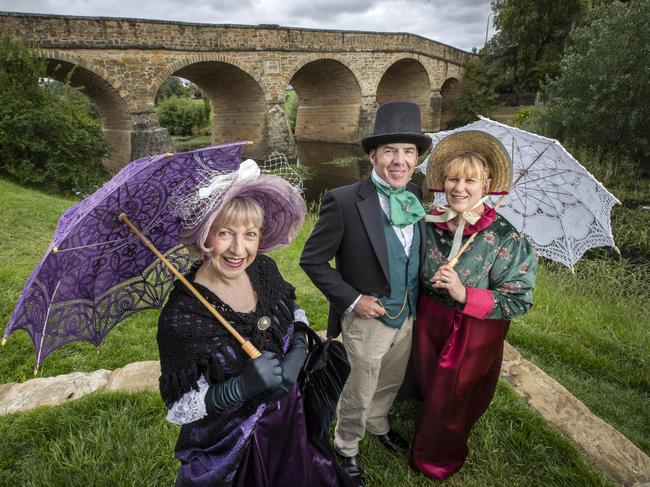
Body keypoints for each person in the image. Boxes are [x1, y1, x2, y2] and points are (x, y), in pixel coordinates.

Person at [156, 160, 350, 486]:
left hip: (291, 415)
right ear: (204, 237)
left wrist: (296, 357)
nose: (238, 249)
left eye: (249, 234)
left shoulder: (263, 270)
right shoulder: (183, 316)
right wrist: (240, 388)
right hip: (233, 443)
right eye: (224, 233)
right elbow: (180, 405)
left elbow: (293, 312)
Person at [300, 102, 431, 486]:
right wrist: (355, 300)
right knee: (359, 387)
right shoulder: (343, 201)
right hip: (367, 319)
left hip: (407, 314)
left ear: (416, 158)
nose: (399, 160)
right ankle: (346, 446)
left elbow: (412, 253)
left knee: (389, 378)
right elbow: (312, 261)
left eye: (408, 152)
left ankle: (378, 422)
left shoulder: (417, 195)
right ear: (373, 155)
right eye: (390, 151)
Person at [409, 130, 538, 480]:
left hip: (472, 331)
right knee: (429, 382)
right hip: (428, 320)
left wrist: (465, 294)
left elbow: (518, 299)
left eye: (470, 180)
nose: (459, 188)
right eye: (452, 178)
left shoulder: (505, 236)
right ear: (441, 181)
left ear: (488, 185)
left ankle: (436, 459)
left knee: (454, 396)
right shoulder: (428, 223)